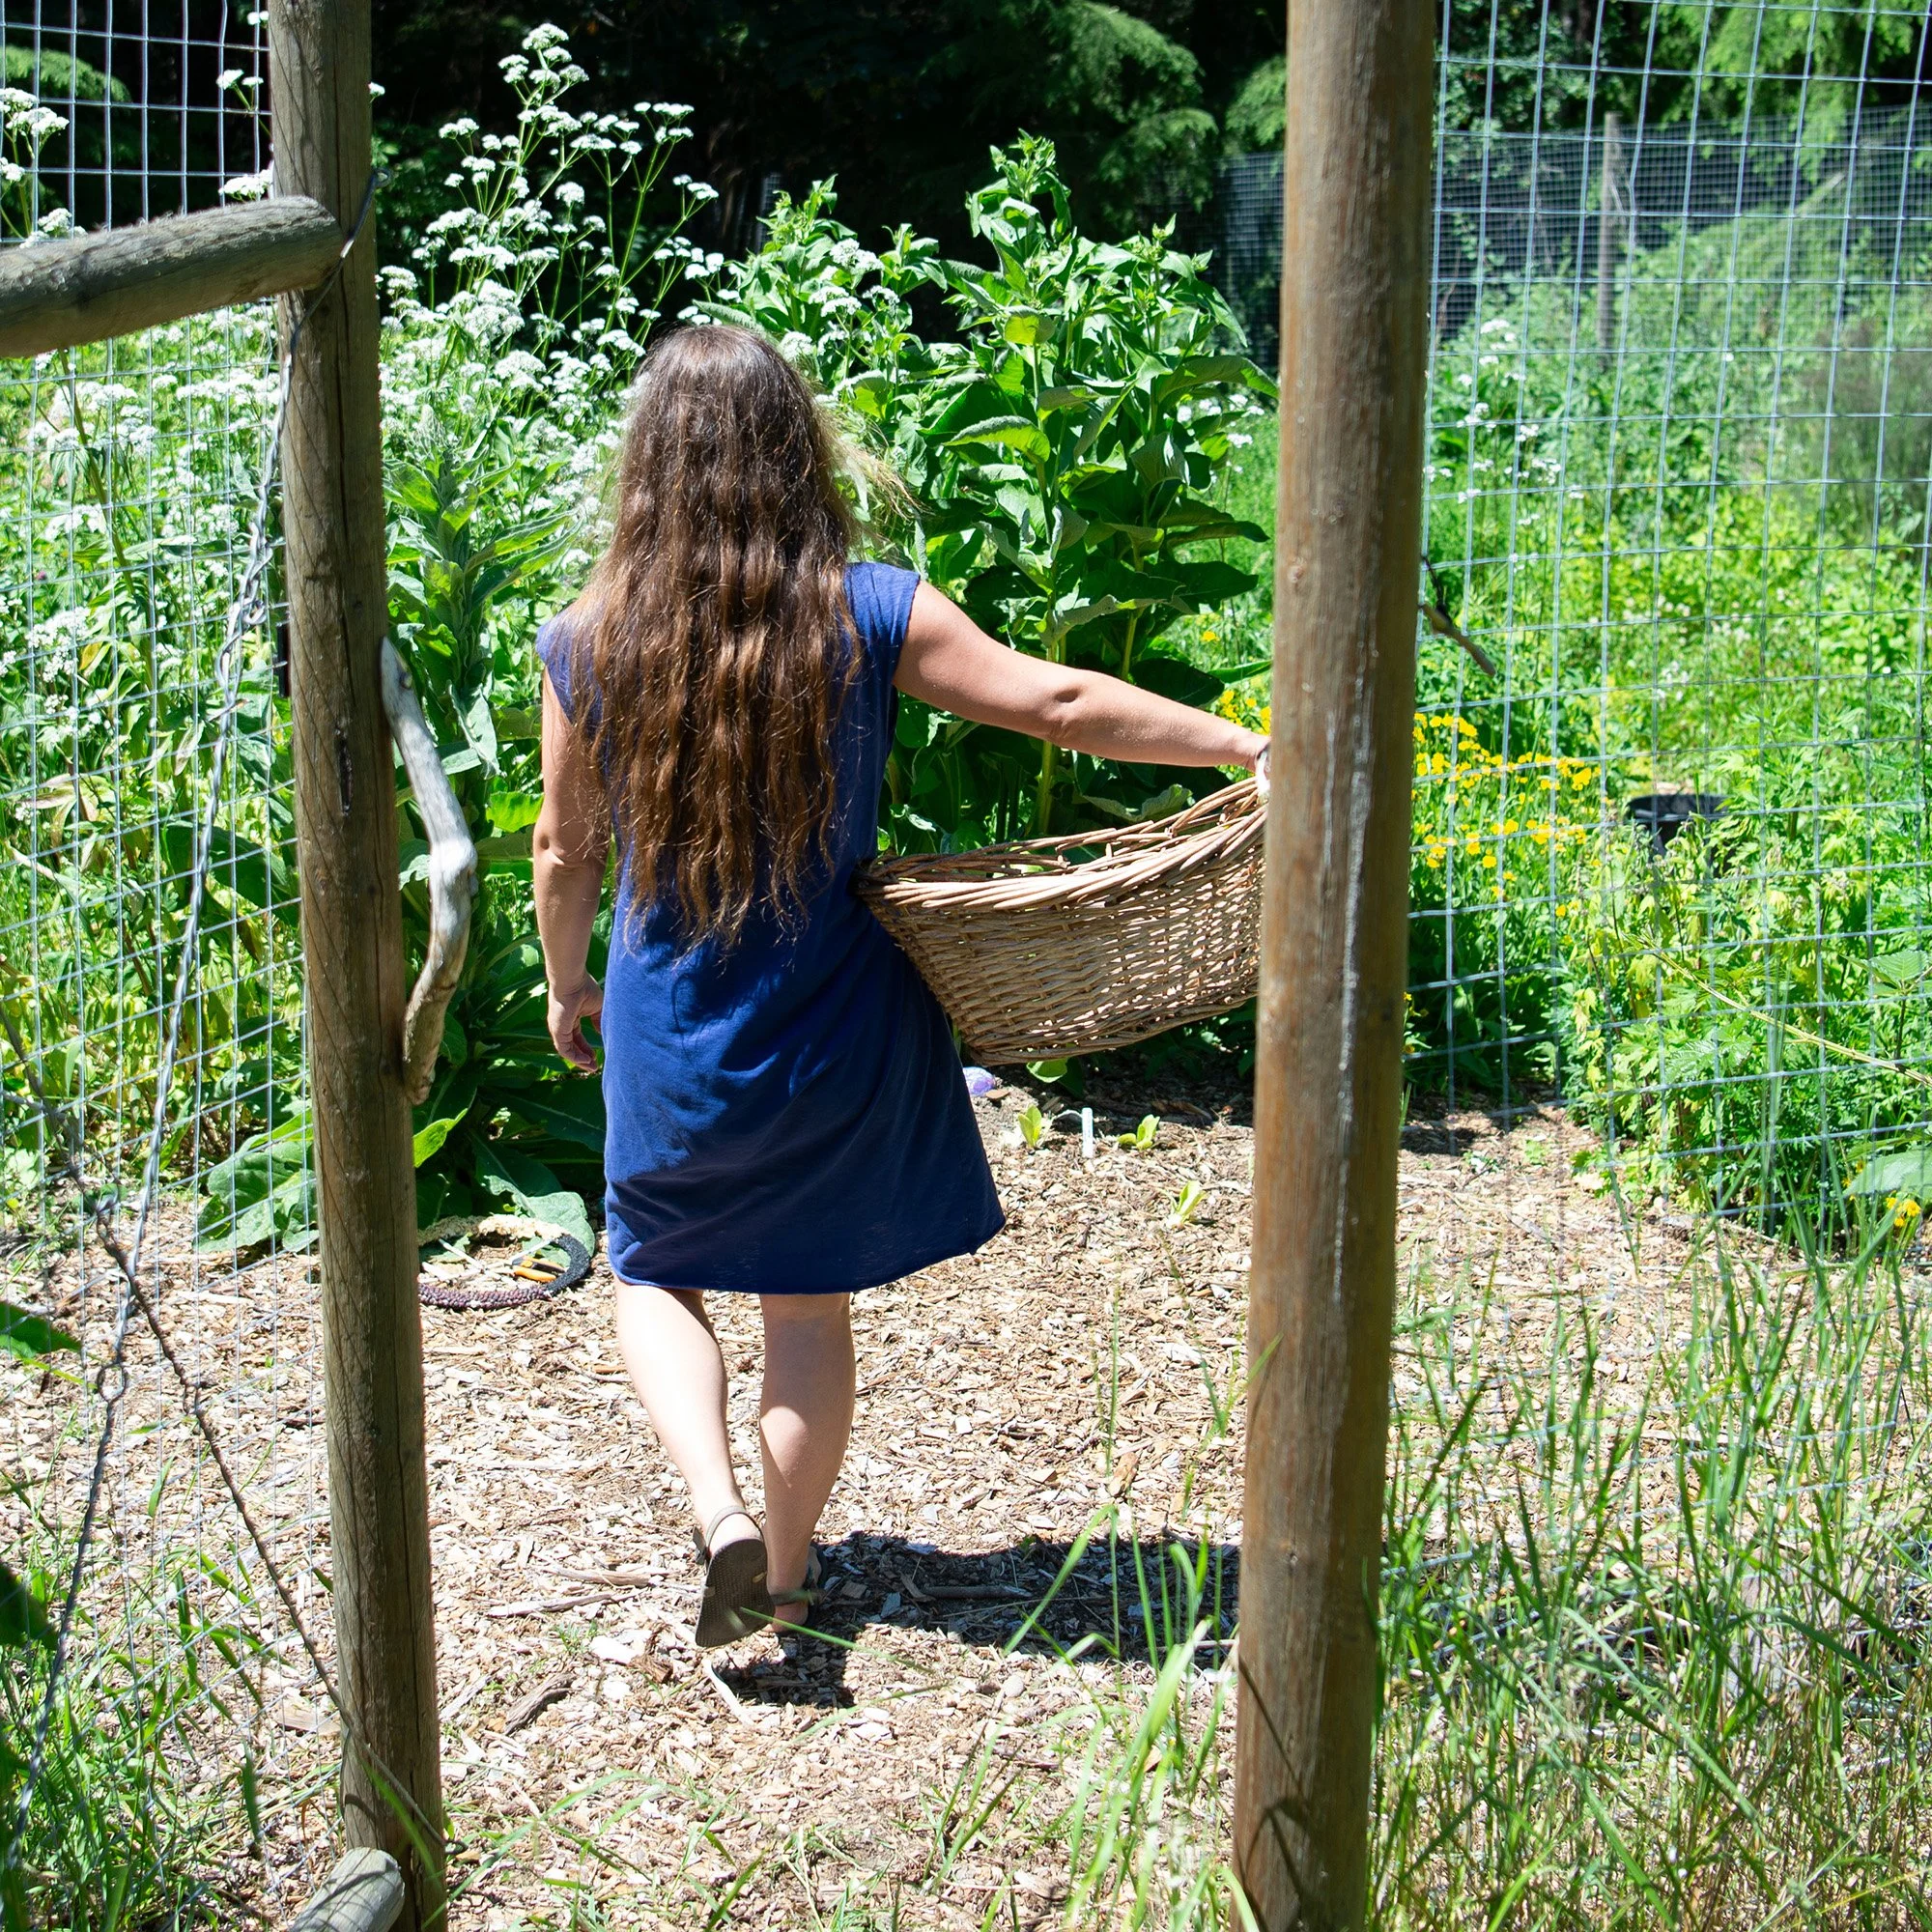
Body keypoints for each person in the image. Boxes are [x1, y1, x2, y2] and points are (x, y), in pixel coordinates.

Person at [532, 324, 1265, 1646]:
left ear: (647, 469)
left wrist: (566, 982)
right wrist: (1244, 745)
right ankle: (797, 1571)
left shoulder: (590, 640)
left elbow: (564, 849)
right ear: (794, 452)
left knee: (651, 1267)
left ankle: (721, 1522)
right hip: (835, 1022)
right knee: (802, 1301)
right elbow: (1058, 700)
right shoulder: (869, 609)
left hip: (673, 1024)